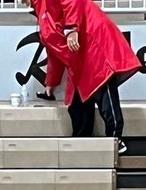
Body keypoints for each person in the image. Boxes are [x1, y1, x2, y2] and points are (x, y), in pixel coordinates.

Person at [26, 0, 140, 152]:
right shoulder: (42, 13)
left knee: (104, 91)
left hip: (93, 42)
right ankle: (82, 145)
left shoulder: (45, 6)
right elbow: (54, 51)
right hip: (79, 57)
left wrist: (72, 29)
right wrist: (51, 82)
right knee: (77, 107)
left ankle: (115, 140)